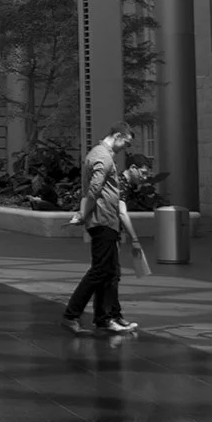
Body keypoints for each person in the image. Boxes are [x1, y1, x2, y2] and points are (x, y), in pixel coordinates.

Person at [63, 124, 142, 334]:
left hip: (105, 220)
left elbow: (91, 189)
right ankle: (73, 314)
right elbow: (94, 189)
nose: (126, 147)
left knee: (109, 272)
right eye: (126, 142)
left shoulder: (99, 155)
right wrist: (83, 213)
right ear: (117, 136)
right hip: (104, 220)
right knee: (101, 271)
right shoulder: (103, 157)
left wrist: (83, 213)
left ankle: (105, 317)